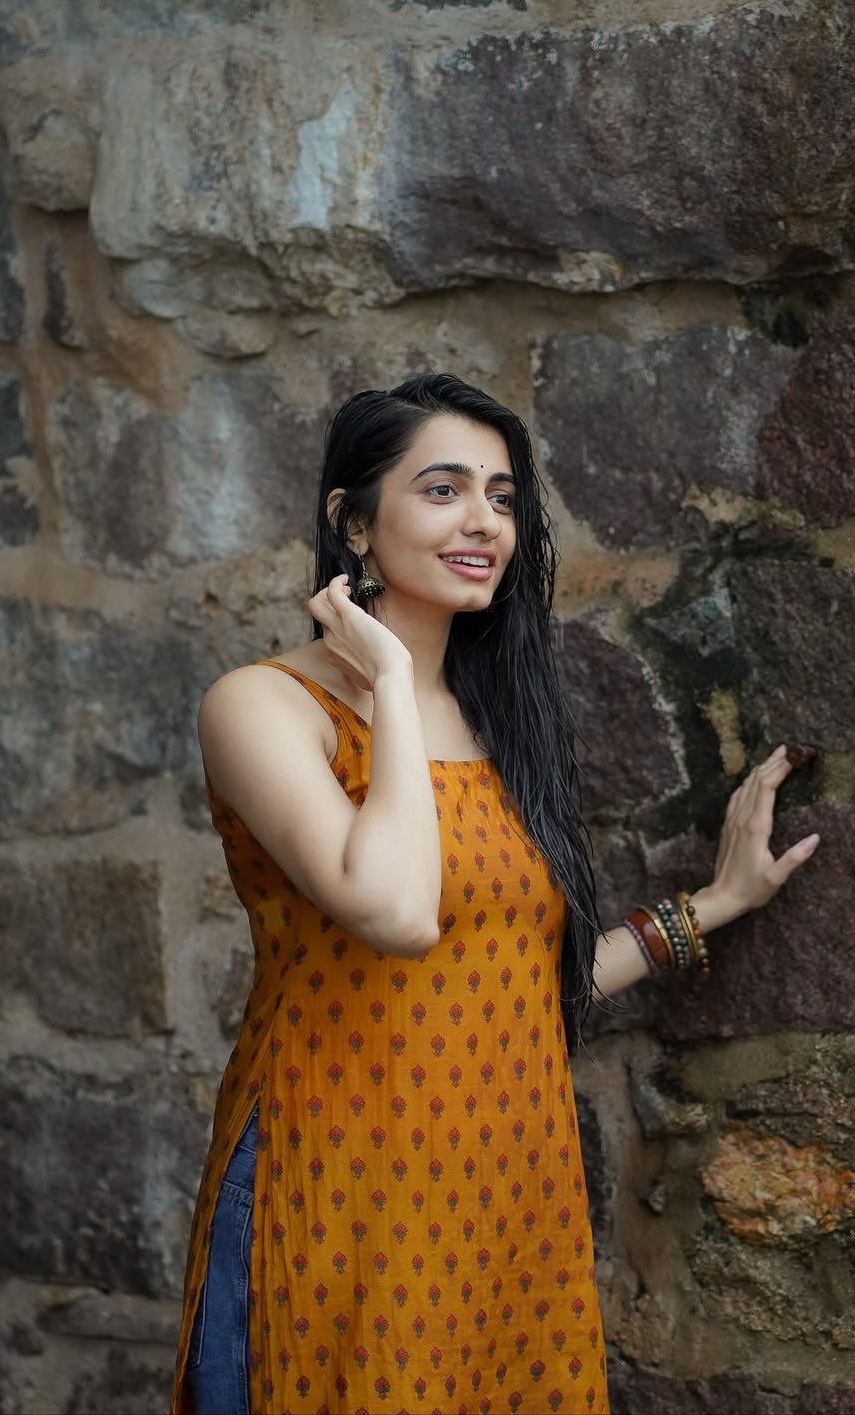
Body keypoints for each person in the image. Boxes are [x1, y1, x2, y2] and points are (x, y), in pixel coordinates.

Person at [169, 373, 819, 1415]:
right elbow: (398, 914)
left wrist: (712, 905)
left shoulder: (501, 721)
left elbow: (510, 979)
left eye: (503, 496)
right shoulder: (264, 707)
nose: (484, 520)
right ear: (354, 522)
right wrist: (391, 680)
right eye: (444, 489)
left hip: (508, 1189)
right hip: (341, 1178)